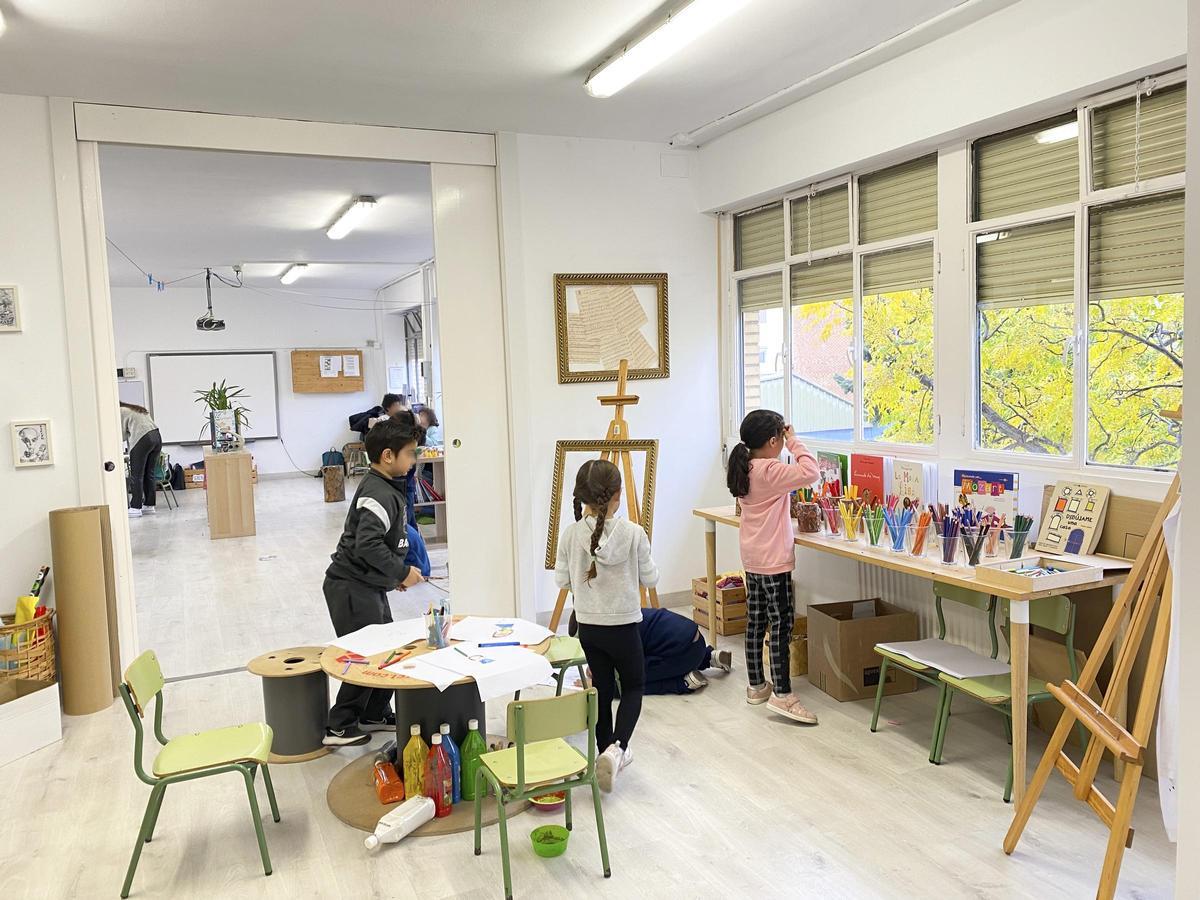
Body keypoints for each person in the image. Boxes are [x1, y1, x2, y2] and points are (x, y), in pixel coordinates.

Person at [555, 459, 658, 792]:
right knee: (633, 687)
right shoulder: (633, 533)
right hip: (624, 626)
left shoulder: (570, 535)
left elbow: (562, 580)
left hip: (589, 627)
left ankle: (604, 751)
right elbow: (651, 578)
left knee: (600, 688)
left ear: (581, 496)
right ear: (617, 494)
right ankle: (618, 749)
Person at [323, 418, 425, 746]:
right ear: (387, 456)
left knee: (387, 649)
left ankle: (375, 712)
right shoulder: (378, 493)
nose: (413, 460)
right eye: (409, 454)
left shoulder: (387, 487)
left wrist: (390, 576)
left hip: (368, 585)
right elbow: (367, 545)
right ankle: (339, 725)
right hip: (350, 587)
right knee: (366, 654)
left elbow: (380, 544)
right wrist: (400, 572)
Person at [727, 409, 820, 724]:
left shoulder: (746, 467)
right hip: (773, 560)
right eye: (780, 438)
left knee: (756, 621)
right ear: (772, 441)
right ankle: (783, 694)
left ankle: (757, 686)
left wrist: (786, 438)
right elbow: (811, 472)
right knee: (781, 625)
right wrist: (794, 441)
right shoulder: (770, 469)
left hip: (752, 557)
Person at [569, 608, 732, 695]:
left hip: (682, 655)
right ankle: (709, 657)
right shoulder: (621, 614)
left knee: (626, 686)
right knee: (657, 647)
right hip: (696, 640)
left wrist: (597, 684)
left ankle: (683, 683)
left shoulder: (616, 636)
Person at [120, 402, 163, 518]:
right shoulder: (134, 408)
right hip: (156, 437)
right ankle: (149, 505)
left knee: (136, 475)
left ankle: (135, 507)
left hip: (142, 439)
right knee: (149, 473)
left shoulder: (119, 411)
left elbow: (121, 435)